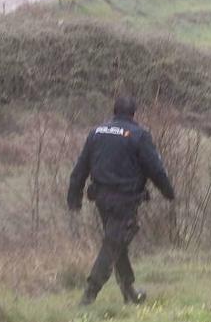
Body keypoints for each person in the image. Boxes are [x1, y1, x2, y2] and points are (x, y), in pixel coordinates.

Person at [67, 96, 176, 306]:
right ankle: (89, 295)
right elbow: (155, 169)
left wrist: (74, 198)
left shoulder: (96, 133)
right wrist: (168, 192)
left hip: (101, 199)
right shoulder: (139, 135)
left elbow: (80, 169)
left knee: (118, 243)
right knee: (112, 245)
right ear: (134, 114)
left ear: (114, 111)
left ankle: (129, 292)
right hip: (125, 200)